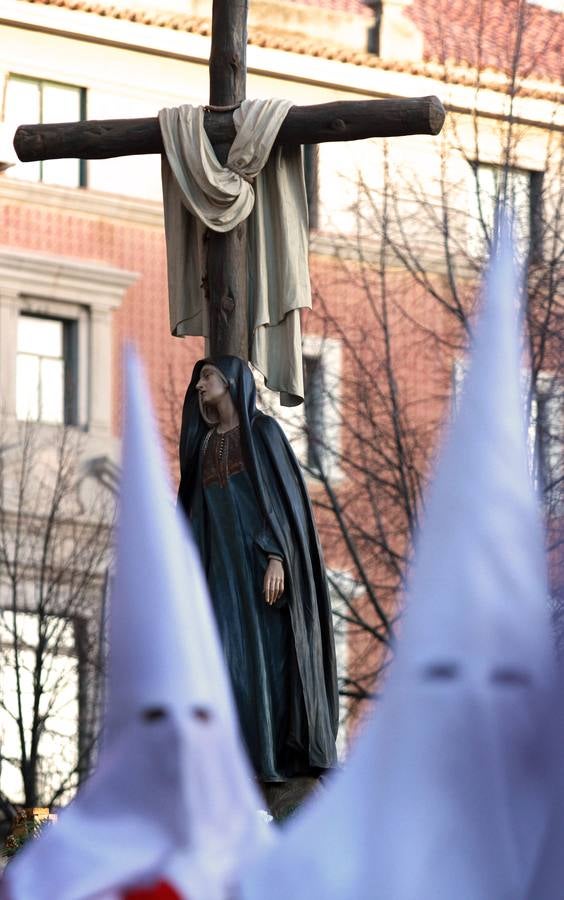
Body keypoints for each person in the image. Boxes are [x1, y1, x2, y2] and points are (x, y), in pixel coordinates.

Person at [178, 356, 338, 794]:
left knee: (267, 664)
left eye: (207, 377)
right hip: (221, 574)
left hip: (262, 573)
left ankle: (271, 759)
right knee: (225, 662)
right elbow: (197, 515)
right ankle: (233, 761)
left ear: (231, 381)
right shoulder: (205, 445)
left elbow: (284, 503)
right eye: (199, 379)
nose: (199, 386)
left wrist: (278, 556)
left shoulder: (263, 432)